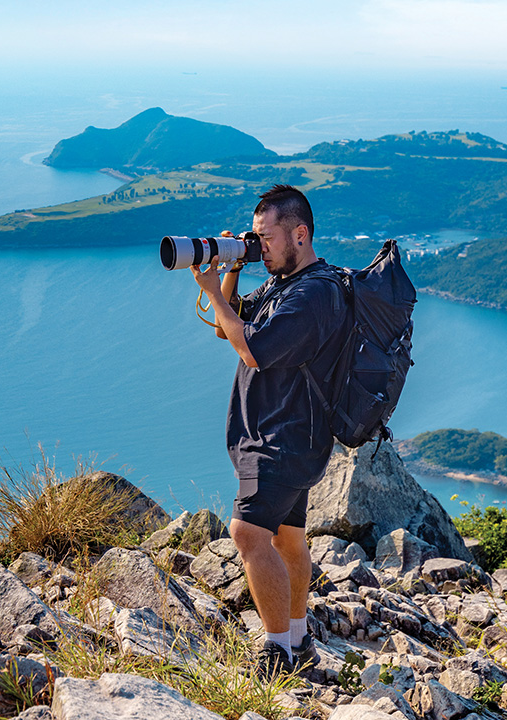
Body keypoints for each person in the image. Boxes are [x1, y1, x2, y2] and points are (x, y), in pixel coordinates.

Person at [189, 184, 349, 677]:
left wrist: (213, 291)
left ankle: (277, 651)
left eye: (266, 239)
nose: (260, 248)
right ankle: (299, 641)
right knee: (287, 539)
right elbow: (226, 327)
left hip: (281, 438)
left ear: (300, 234)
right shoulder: (286, 284)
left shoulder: (314, 294)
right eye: (253, 238)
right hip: (290, 437)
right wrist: (230, 270)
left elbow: (252, 350)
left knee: (247, 533)